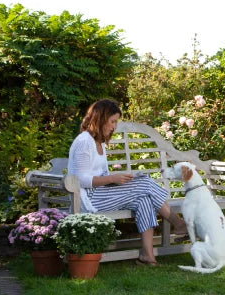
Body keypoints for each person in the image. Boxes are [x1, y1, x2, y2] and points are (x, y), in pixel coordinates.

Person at [67, 98, 188, 266]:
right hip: (87, 199)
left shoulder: (98, 142)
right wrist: (112, 179)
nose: (114, 126)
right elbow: (80, 180)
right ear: (100, 118)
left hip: (100, 193)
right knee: (145, 183)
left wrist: (117, 180)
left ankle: (148, 257)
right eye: (112, 121)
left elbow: (99, 175)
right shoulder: (84, 142)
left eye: (116, 122)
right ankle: (179, 223)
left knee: (144, 199)